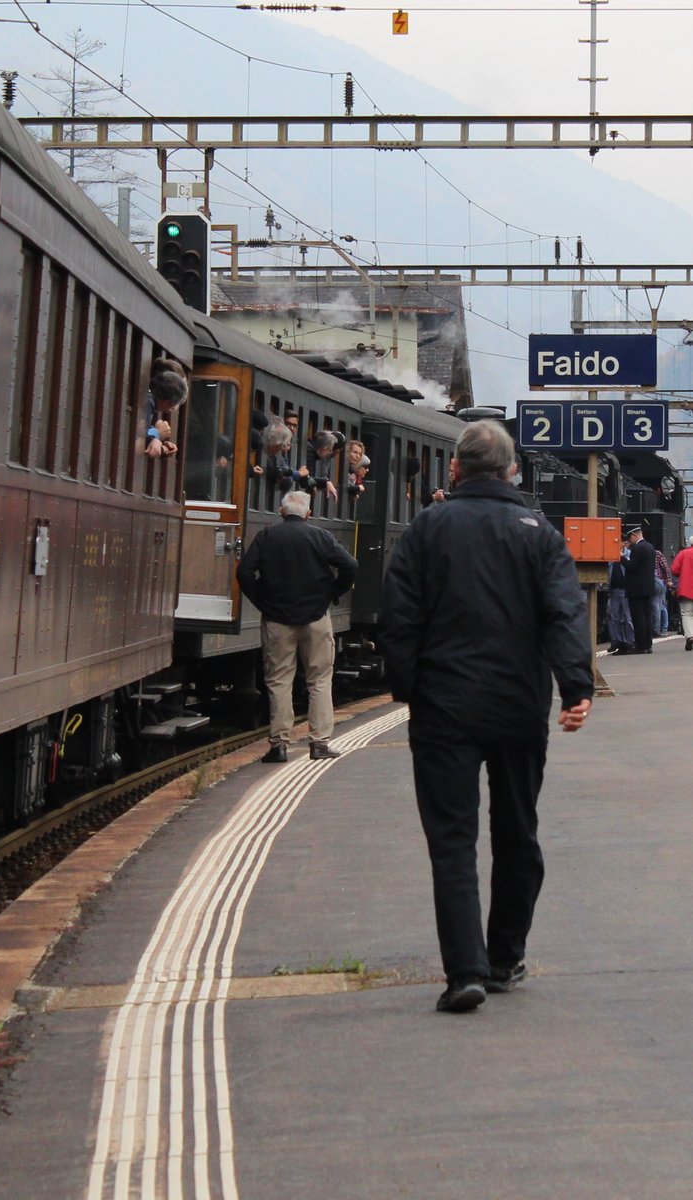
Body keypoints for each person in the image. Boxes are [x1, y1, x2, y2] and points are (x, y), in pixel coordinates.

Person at [380, 420, 593, 1014]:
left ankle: (466, 972)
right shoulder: (539, 533)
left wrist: (410, 689)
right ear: (512, 472)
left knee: (452, 840)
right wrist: (575, 685)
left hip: (444, 707)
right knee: (517, 830)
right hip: (518, 706)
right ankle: (505, 957)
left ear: (455, 469)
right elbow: (564, 614)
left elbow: (399, 616)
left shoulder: (427, 528)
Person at [236, 489, 357, 763]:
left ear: (281, 512)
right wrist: (332, 592)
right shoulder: (320, 536)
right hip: (316, 618)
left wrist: (262, 600)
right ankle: (319, 742)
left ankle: (279, 744)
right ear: (309, 514)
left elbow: (244, 572)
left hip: (277, 619)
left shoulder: (267, 537)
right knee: (320, 680)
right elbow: (350, 565)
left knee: (279, 681)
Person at [623, 524, 656, 654]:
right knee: (647, 617)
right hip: (648, 587)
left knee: (638, 618)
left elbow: (632, 567)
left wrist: (621, 557)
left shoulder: (637, 549)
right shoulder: (650, 547)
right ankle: (648, 645)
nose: (629, 540)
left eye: (629, 537)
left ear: (634, 535)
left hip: (636, 589)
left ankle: (640, 646)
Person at [145, 359, 187, 456]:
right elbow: (140, 434)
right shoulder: (148, 401)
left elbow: (145, 430)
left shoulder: (151, 401)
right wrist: (157, 433)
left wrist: (161, 445)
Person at [606, 547, 635, 655]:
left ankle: (630, 641)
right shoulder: (610, 556)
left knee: (628, 617)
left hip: (626, 589)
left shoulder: (629, 554)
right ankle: (620, 642)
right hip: (613, 590)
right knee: (615, 617)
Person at [302, 429, 345, 502]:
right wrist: (325, 482)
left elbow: (308, 477)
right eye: (330, 450)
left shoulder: (312, 452)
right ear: (324, 449)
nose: (330, 453)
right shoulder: (309, 453)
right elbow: (306, 478)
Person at [671, 533, 693, 651]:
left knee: (687, 614)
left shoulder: (683, 553)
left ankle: (690, 636)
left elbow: (674, 569)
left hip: (687, 589)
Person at [653, 544, 674, 636]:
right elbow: (666, 568)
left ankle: (663, 628)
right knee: (660, 605)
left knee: (659, 605)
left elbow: (666, 568)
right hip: (660, 581)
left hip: (659, 581)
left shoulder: (657, 554)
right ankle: (662, 628)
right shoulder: (657, 553)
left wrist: (668, 580)